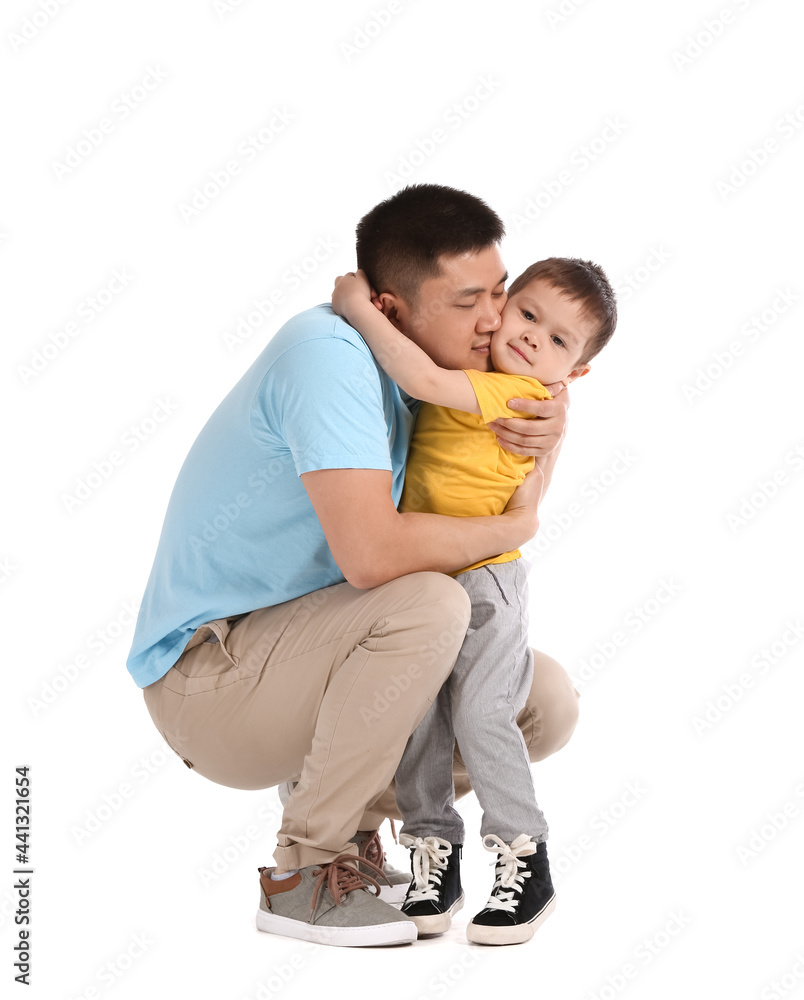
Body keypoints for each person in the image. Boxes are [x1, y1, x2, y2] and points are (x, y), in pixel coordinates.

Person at [126, 183, 580, 948]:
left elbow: (484, 484)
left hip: (310, 653)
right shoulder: (330, 359)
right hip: (206, 682)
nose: (499, 319)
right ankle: (304, 871)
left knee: (543, 700)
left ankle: (350, 817)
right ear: (391, 308)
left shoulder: (424, 375)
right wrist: (519, 524)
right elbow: (374, 557)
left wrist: (546, 424)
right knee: (433, 604)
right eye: (471, 300)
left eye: (502, 292)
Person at [331, 258, 616, 944]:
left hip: (486, 577)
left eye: (558, 342)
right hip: (420, 580)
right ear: (502, 305)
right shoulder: (482, 373)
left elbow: (419, 378)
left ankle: (525, 855)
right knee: (422, 717)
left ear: (571, 374)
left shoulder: (516, 392)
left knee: (486, 712)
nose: (533, 341)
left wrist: (357, 307)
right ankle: (435, 855)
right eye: (528, 315)